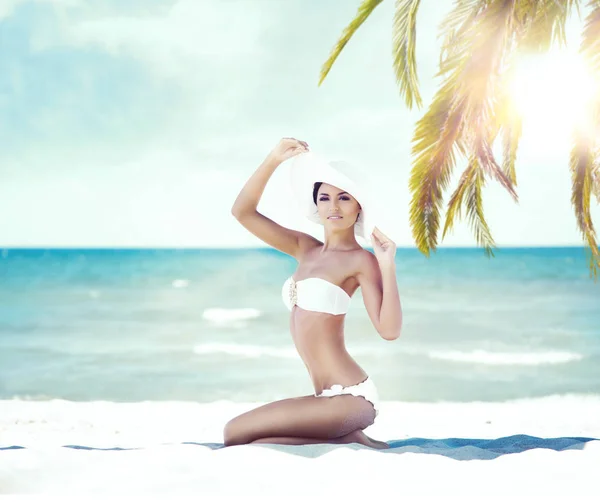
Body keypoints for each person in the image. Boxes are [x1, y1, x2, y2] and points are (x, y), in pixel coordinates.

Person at [225, 137, 402, 449]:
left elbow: (389, 331)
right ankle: (347, 438)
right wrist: (273, 160)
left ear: (358, 206)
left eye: (344, 198)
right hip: (324, 398)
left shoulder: (361, 260)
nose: (333, 207)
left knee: (236, 434)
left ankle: (346, 433)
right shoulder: (304, 248)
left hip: (352, 397)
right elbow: (242, 212)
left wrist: (387, 265)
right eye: (325, 198)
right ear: (316, 204)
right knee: (238, 434)